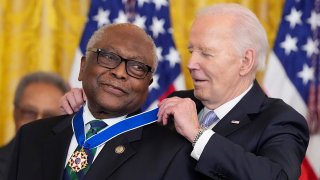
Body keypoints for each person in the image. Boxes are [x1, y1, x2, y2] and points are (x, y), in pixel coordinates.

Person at [60, 3, 309, 180]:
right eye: (192, 51)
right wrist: (92, 109)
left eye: (206, 53)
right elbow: (124, 140)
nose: (191, 63)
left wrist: (197, 135)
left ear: (245, 62)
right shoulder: (178, 101)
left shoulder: (280, 120)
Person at [8, 23, 204, 180]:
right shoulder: (31, 136)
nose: (119, 73)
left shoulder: (171, 154)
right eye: (109, 57)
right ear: (83, 66)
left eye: (137, 67)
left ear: (148, 84)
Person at [0, 71, 70, 180]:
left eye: (49, 117)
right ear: (15, 113)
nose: (38, 122)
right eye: (29, 113)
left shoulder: (72, 168)